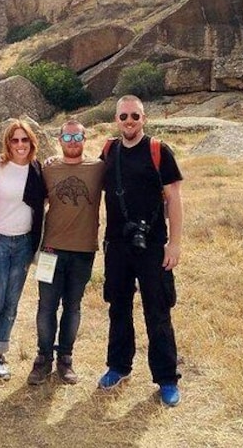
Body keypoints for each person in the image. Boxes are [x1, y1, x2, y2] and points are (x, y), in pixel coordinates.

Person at [97, 95, 184, 407]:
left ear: (144, 118)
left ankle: (166, 378)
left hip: (152, 247)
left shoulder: (159, 150)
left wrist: (174, 244)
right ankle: (118, 366)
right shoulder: (108, 150)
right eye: (123, 117)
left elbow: (174, 198)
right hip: (118, 246)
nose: (129, 121)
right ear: (116, 119)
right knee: (118, 308)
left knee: (157, 311)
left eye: (135, 116)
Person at [27, 119, 105, 386]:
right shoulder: (48, 168)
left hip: (83, 251)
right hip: (50, 250)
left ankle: (65, 360)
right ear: (59, 140)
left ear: (85, 138)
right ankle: (43, 359)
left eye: (77, 138)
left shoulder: (98, 168)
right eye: (67, 138)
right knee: (46, 306)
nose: (73, 143)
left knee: (72, 306)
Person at [0, 119, 45, 379]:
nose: (19, 145)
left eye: (24, 140)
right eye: (14, 140)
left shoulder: (37, 169)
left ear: (31, 142)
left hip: (24, 242)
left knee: (12, 301)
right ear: (8, 142)